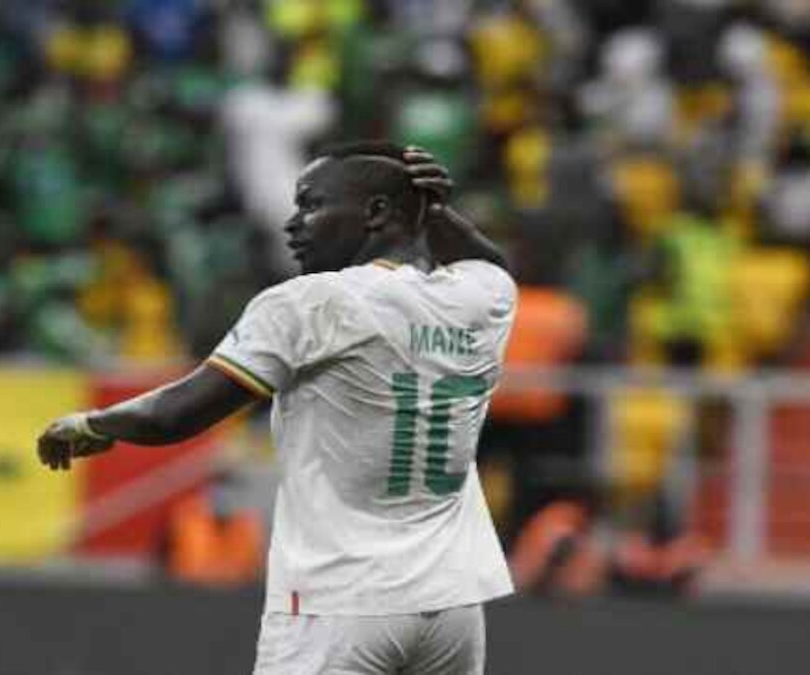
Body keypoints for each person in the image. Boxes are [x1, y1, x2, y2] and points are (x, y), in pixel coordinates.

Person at [37, 142, 516, 674]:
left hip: (340, 600)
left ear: (377, 213)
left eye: (311, 205)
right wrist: (435, 210)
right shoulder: (481, 299)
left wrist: (92, 422)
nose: (292, 224)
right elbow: (491, 265)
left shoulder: (311, 302)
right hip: (453, 604)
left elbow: (175, 414)